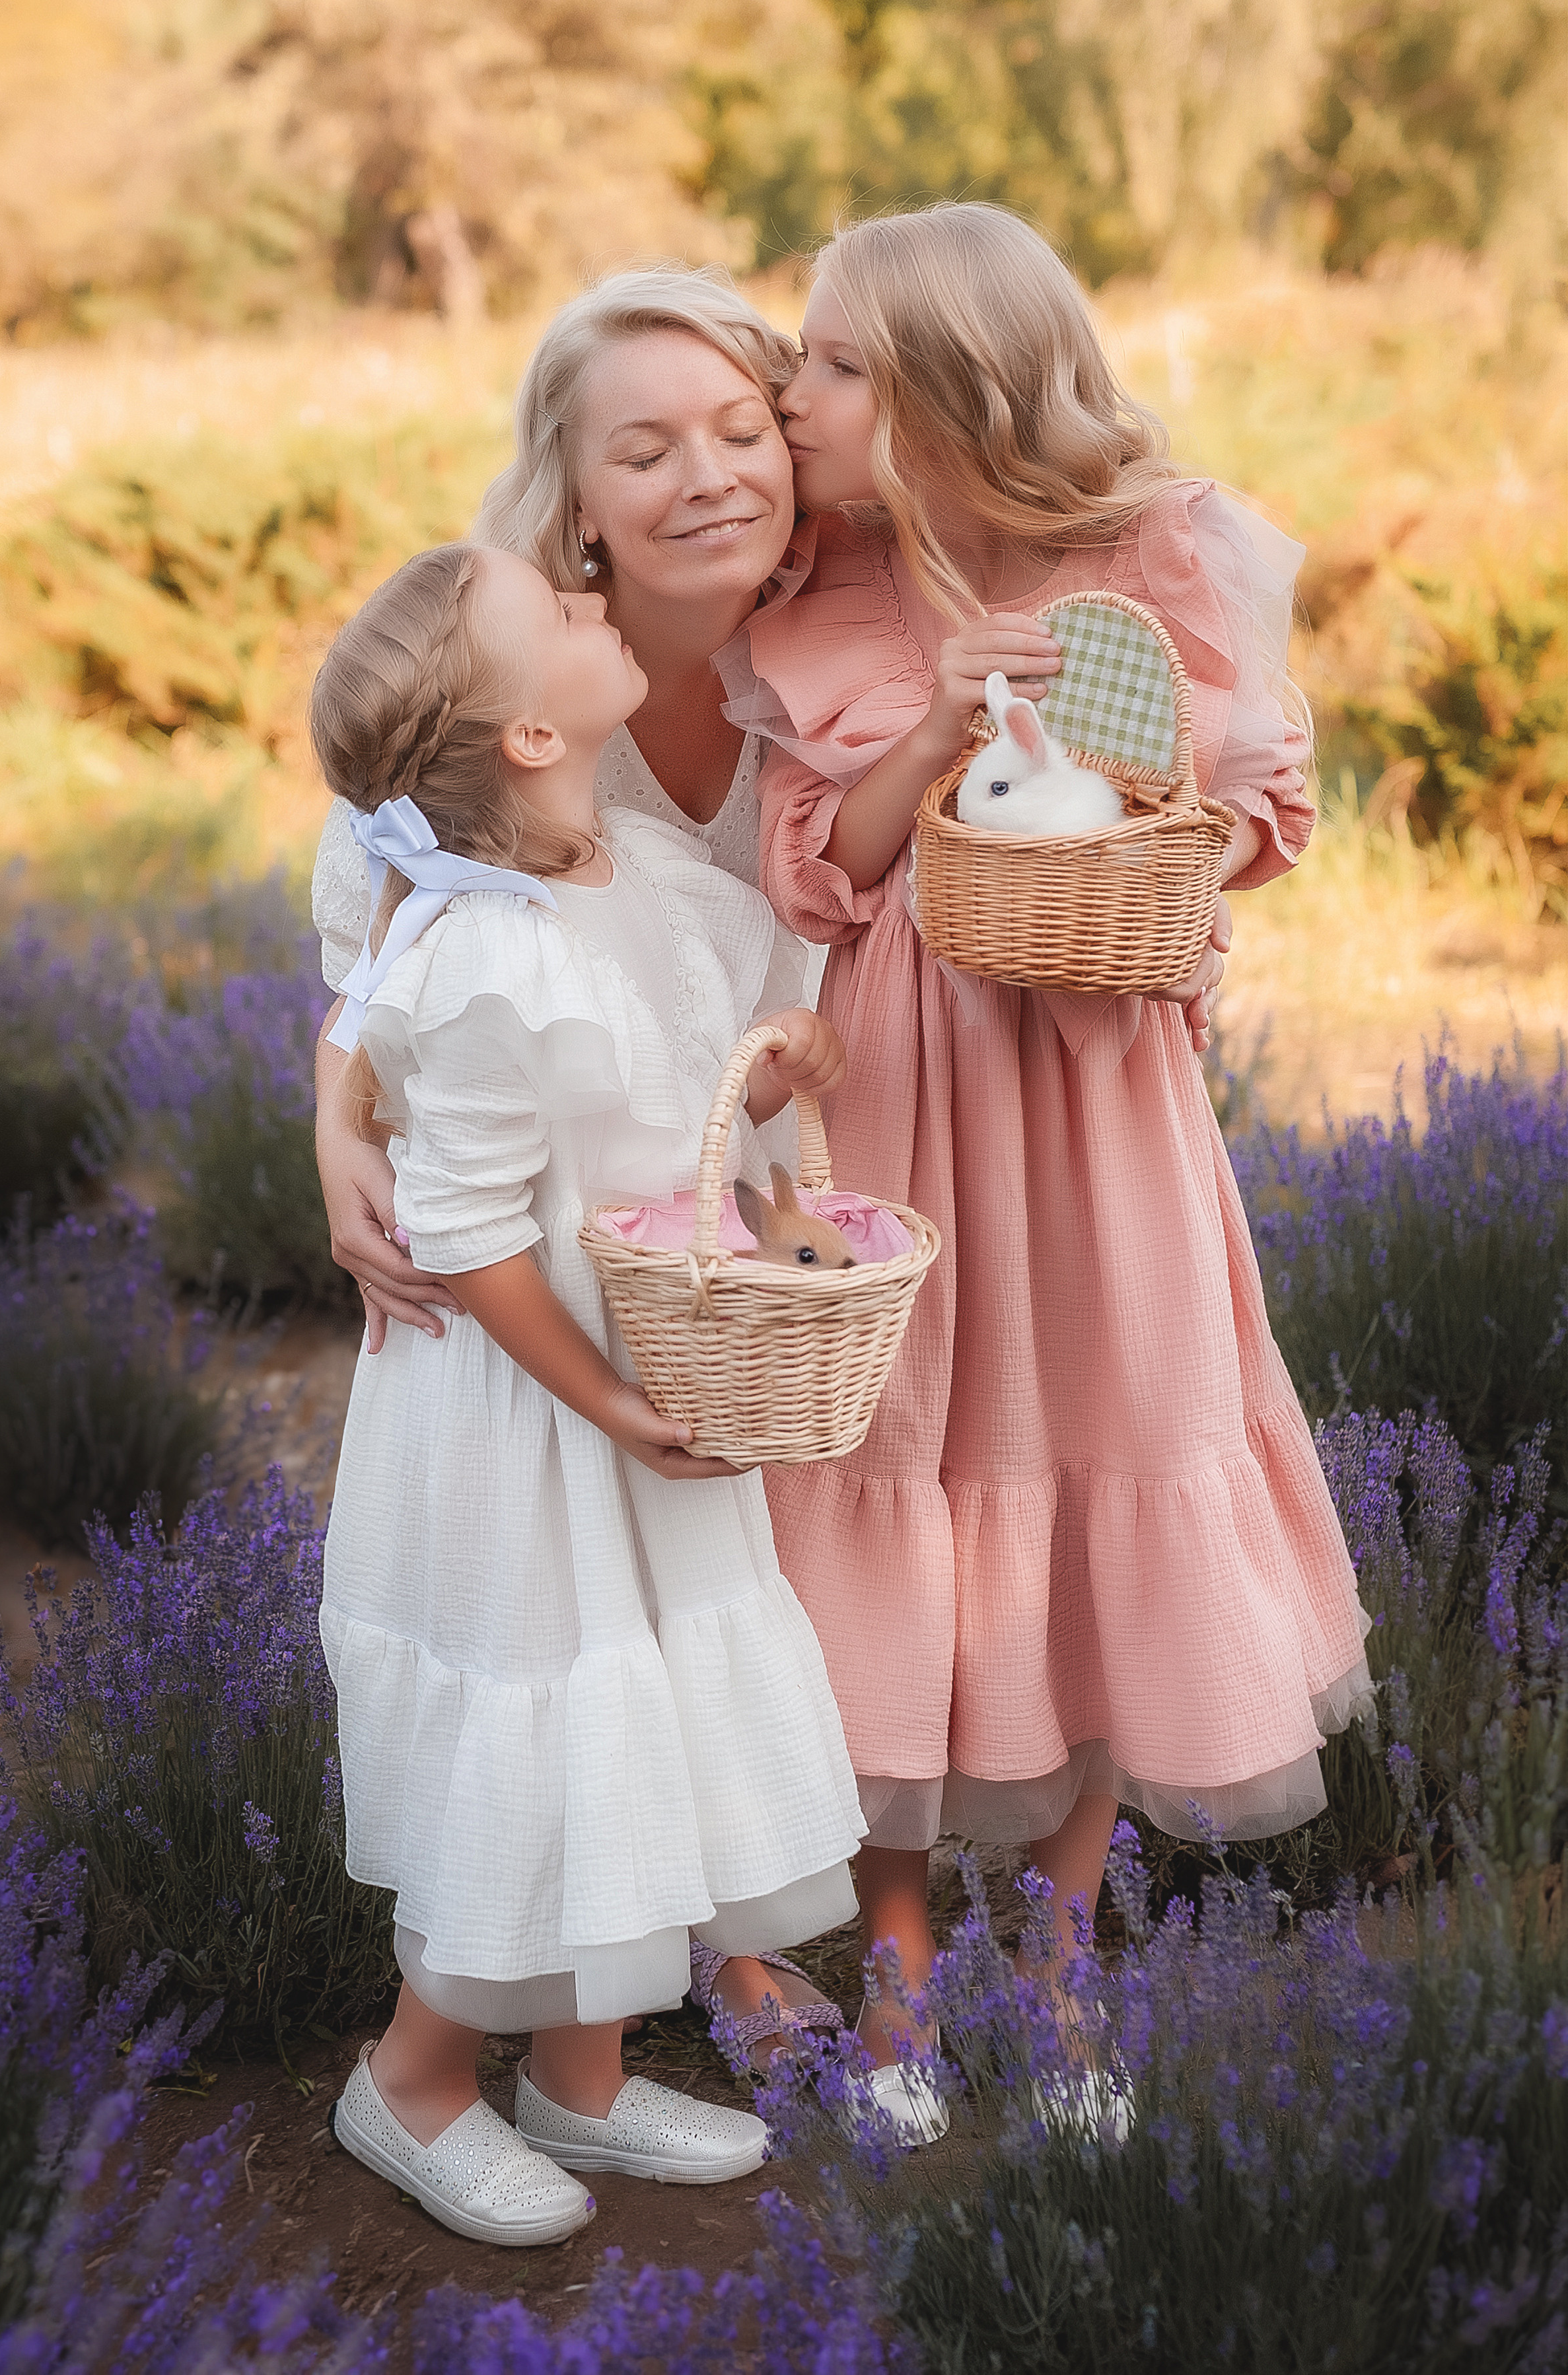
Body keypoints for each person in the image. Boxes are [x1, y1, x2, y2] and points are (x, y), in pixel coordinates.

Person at [734, 203, 1372, 2129]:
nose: (791, 389)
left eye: (834, 362)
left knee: (1104, 1445)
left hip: (1099, 1096)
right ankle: (901, 1975)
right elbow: (819, 873)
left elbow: (1260, 808)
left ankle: (1064, 1964)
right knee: (908, 1463)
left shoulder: (1152, 564)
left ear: (948, 391)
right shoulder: (828, 586)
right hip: (911, 1095)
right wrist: (939, 721)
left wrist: (1136, 801)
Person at [311, 267, 850, 2061]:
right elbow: (387, 944)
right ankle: (476, 2050)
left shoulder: (828, 657)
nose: (709, 474)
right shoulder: (498, 677)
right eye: (645, 448)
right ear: (577, 496)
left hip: (700, 1215)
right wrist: (335, 1132)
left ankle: (676, 1955)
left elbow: (738, 1003)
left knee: (693, 1582)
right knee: (558, 1615)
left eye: (742, 426)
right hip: (545, 1258)